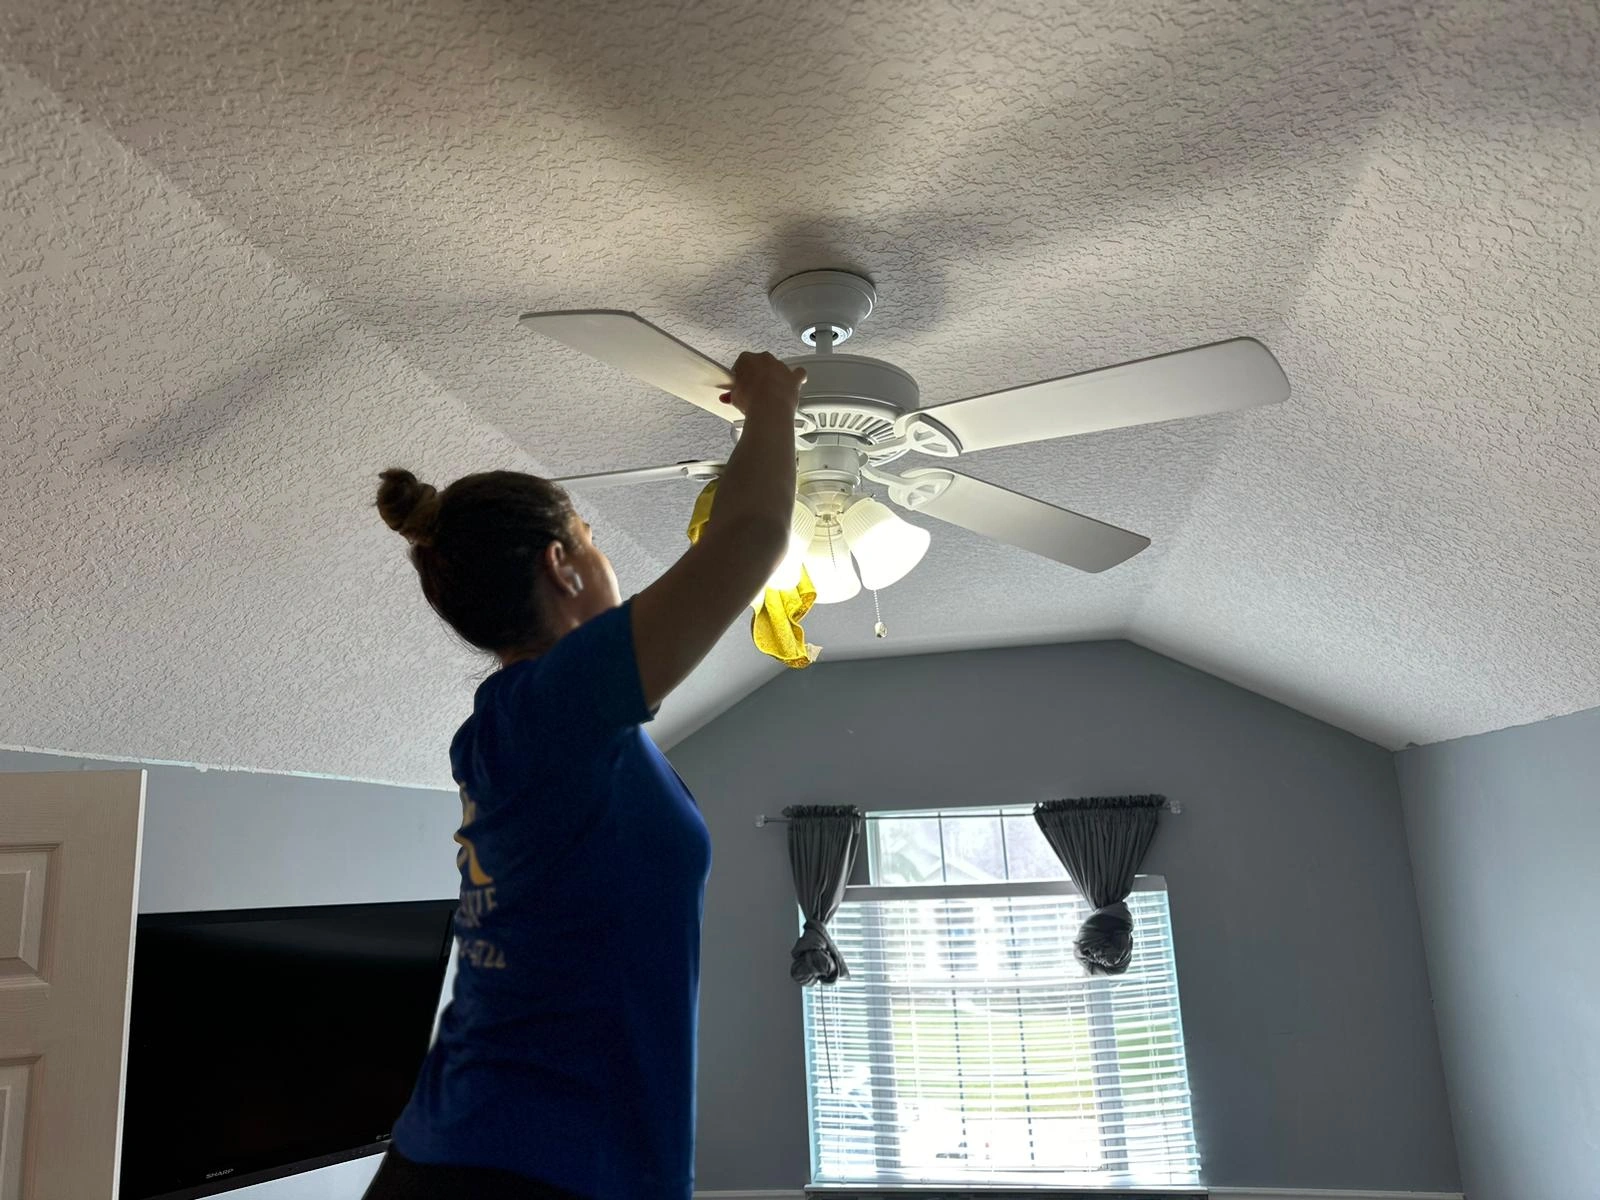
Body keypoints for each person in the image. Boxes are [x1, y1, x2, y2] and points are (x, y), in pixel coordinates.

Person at [362, 351, 806, 1200]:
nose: (608, 565)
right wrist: (772, 402)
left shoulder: (525, 728)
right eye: (597, 546)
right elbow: (750, 536)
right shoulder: (548, 713)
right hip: (524, 1168)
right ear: (563, 566)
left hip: (489, 1152)